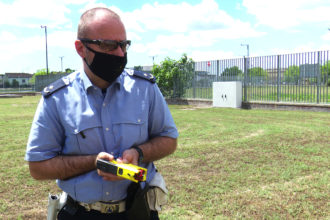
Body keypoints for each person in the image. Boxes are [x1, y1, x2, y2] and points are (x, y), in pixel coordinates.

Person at [25, 7, 178, 220]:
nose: (120, 54)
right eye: (108, 45)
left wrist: (139, 153)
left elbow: (169, 139)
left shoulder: (145, 89)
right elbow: (38, 167)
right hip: (81, 213)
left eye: (124, 45)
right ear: (81, 48)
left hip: (137, 211)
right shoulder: (57, 99)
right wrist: (93, 162)